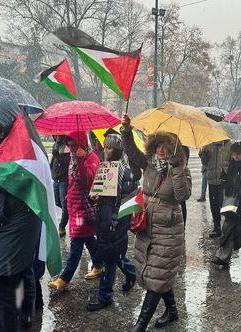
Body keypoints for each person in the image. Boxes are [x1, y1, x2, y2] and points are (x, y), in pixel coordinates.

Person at [0, 98, 42, 332]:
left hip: (15, 225)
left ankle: (18, 320)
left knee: (3, 281)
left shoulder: (27, 145)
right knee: (2, 279)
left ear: (6, 118)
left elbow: (33, 177)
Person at [121, 114, 192, 332]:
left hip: (169, 229)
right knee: (157, 273)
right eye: (159, 146)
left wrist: (178, 168)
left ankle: (140, 325)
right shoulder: (149, 165)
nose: (162, 150)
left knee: (158, 274)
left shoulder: (181, 169)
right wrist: (126, 131)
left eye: (166, 147)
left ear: (173, 149)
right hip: (147, 225)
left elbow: (182, 195)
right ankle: (172, 311)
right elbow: (132, 151)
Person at [86, 134, 139, 311]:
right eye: (104, 147)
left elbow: (128, 199)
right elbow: (99, 191)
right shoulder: (104, 167)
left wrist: (117, 218)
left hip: (115, 221)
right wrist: (94, 197)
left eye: (108, 147)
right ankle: (131, 274)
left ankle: (105, 295)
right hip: (103, 217)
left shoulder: (126, 171)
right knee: (115, 255)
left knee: (110, 258)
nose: (105, 150)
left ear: (116, 150)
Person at [48, 131, 103, 291]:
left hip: (83, 210)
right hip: (73, 206)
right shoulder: (73, 156)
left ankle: (65, 278)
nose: (70, 148)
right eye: (69, 145)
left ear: (82, 143)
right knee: (87, 238)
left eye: (73, 145)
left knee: (77, 240)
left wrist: (80, 161)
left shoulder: (92, 159)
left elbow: (89, 181)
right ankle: (99, 264)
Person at [199, 140, 232, 238]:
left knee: (226, 205)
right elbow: (204, 162)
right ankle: (216, 227)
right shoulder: (209, 145)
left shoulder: (230, 145)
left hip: (225, 180)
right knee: (214, 205)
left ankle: (229, 228)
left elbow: (234, 162)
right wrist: (203, 153)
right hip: (212, 179)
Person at [50, 135, 71, 237]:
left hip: (63, 180)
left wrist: (57, 154)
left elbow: (65, 162)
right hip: (56, 179)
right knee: (57, 201)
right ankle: (67, 216)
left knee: (64, 204)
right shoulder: (55, 145)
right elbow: (54, 159)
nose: (56, 136)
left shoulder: (67, 146)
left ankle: (62, 226)